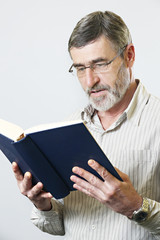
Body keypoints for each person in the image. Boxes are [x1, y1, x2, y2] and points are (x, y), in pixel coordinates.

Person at [12, 10, 160, 240]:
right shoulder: (67, 128)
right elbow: (60, 226)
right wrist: (43, 205)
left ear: (129, 55)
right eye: (80, 68)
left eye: (100, 64)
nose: (90, 81)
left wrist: (136, 207)